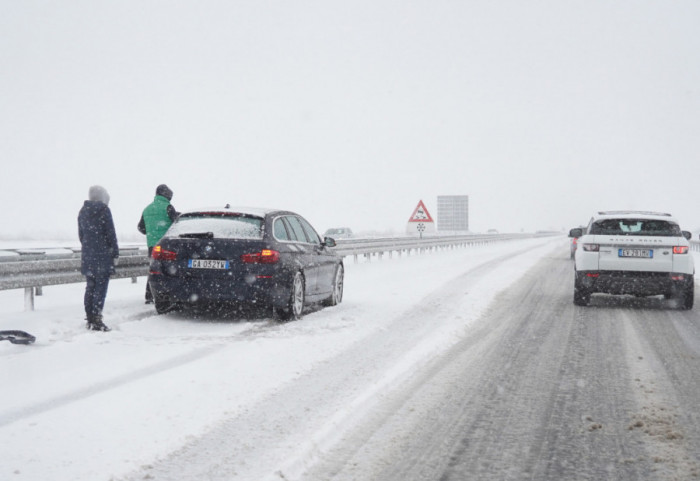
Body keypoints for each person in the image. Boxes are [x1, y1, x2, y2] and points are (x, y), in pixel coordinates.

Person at [78, 185, 119, 331]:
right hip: (102, 256)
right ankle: (96, 319)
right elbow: (110, 234)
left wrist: (90, 248)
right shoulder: (104, 210)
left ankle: (90, 318)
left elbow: (81, 236)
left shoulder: (82, 211)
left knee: (90, 287)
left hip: (88, 256)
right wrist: (114, 253)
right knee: (100, 288)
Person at [138, 184, 179, 303]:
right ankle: (167, 295)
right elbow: (176, 223)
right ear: (167, 195)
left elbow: (141, 228)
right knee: (168, 270)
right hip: (166, 245)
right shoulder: (168, 207)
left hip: (152, 245)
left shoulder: (147, 209)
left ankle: (149, 296)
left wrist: (152, 232)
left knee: (154, 269)